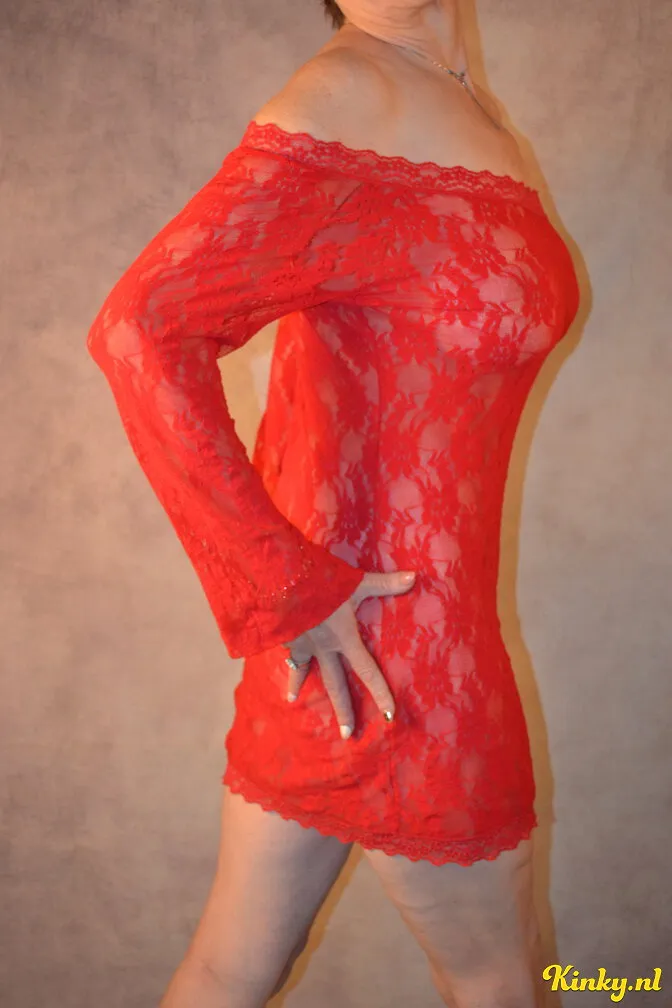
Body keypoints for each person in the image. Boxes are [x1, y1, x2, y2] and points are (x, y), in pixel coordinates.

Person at [86, 1, 580, 1005]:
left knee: (231, 969)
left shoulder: (467, 112)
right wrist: (285, 587)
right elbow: (140, 331)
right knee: (506, 981)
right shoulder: (343, 94)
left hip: (359, 653)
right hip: (404, 663)